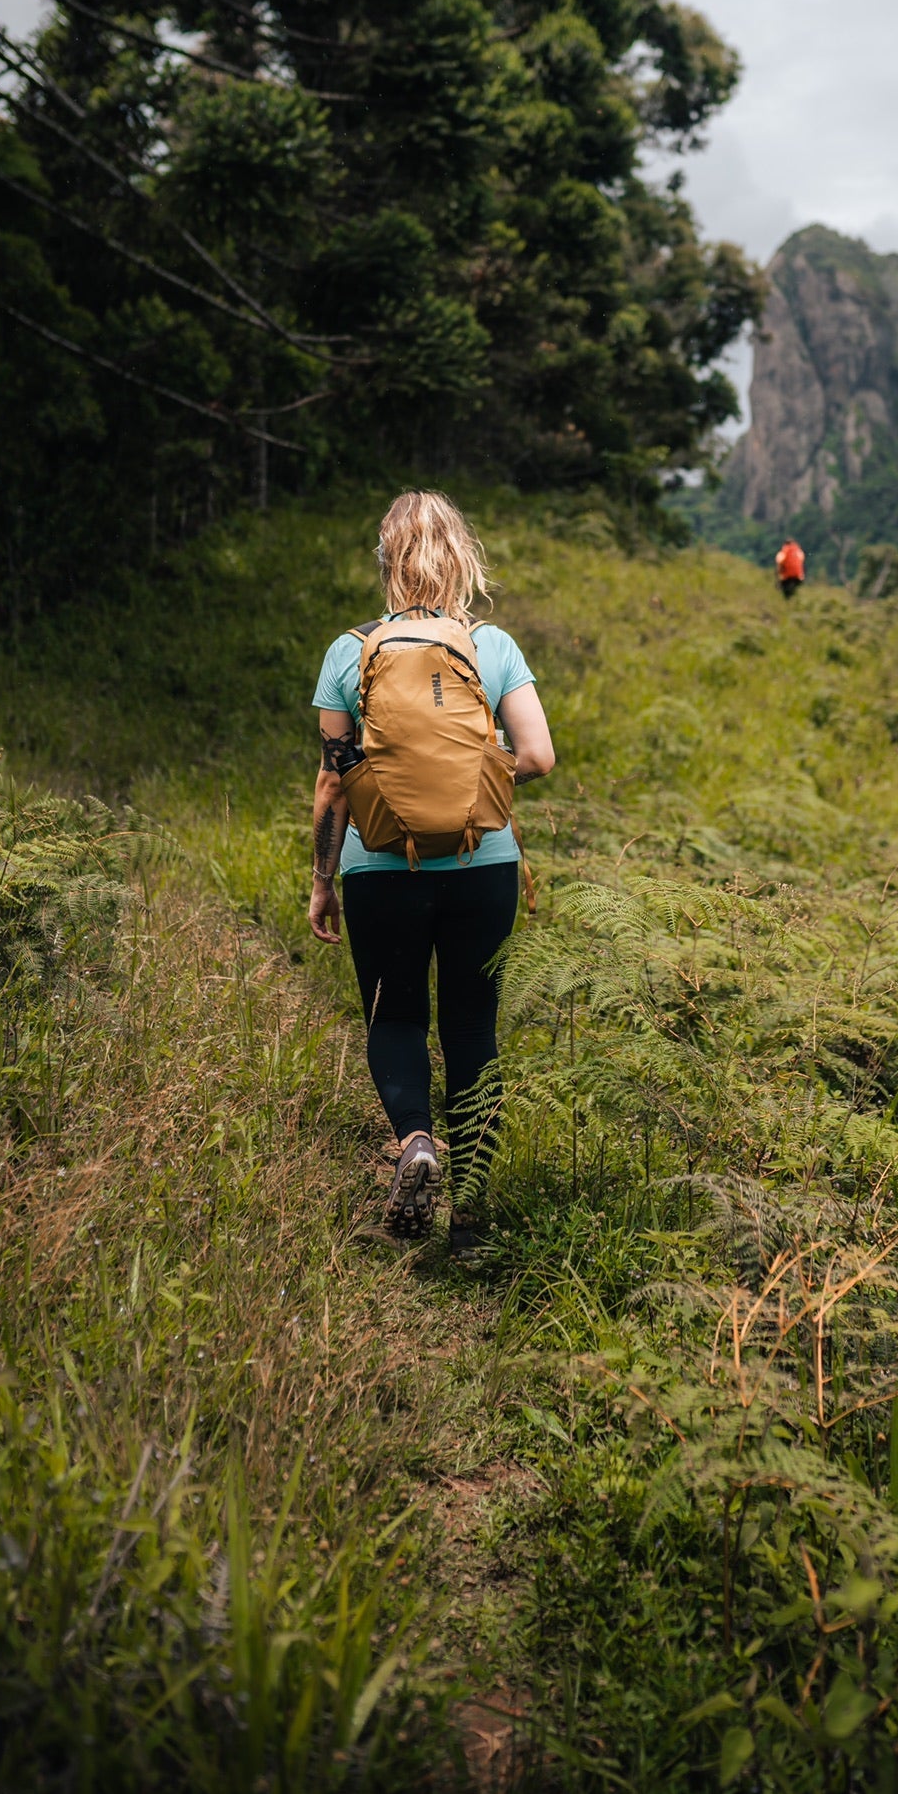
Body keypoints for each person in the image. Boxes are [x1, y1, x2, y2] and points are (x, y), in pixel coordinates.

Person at [309, 491, 555, 1256]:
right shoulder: (493, 645)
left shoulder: (349, 651)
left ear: (387, 562)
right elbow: (540, 757)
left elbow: (331, 781)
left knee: (396, 1018)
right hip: (484, 865)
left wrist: (323, 881)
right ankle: (471, 1218)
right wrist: (477, 775)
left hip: (379, 869)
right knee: (473, 1025)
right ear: (461, 559)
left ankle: (416, 1144)